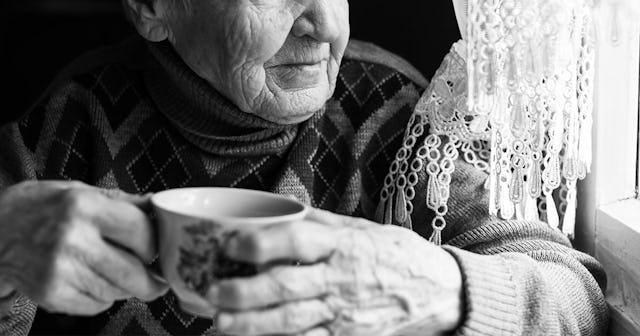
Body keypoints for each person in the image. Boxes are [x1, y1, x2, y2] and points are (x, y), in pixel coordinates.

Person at [0, 0, 608, 335]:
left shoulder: (393, 115)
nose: (325, 26)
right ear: (153, 8)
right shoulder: (63, 125)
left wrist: (445, 289)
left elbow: (576, 301)